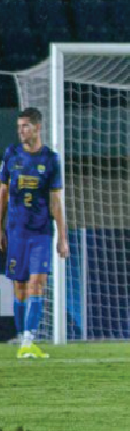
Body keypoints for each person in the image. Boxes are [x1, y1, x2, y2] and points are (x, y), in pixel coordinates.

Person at [0, 107, 70, 359]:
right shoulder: (11, 155)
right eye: (19, 127)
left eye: (25, 126)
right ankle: (23, 340)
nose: (21, 131)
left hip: (41, 233)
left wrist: (62, 237)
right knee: (19, 286)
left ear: (37, 127)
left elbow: (55, 201)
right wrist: (0, 227)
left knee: (37, 283)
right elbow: (3, 194)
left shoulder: (51, 159)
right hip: (16, 231)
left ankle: (28, 339)